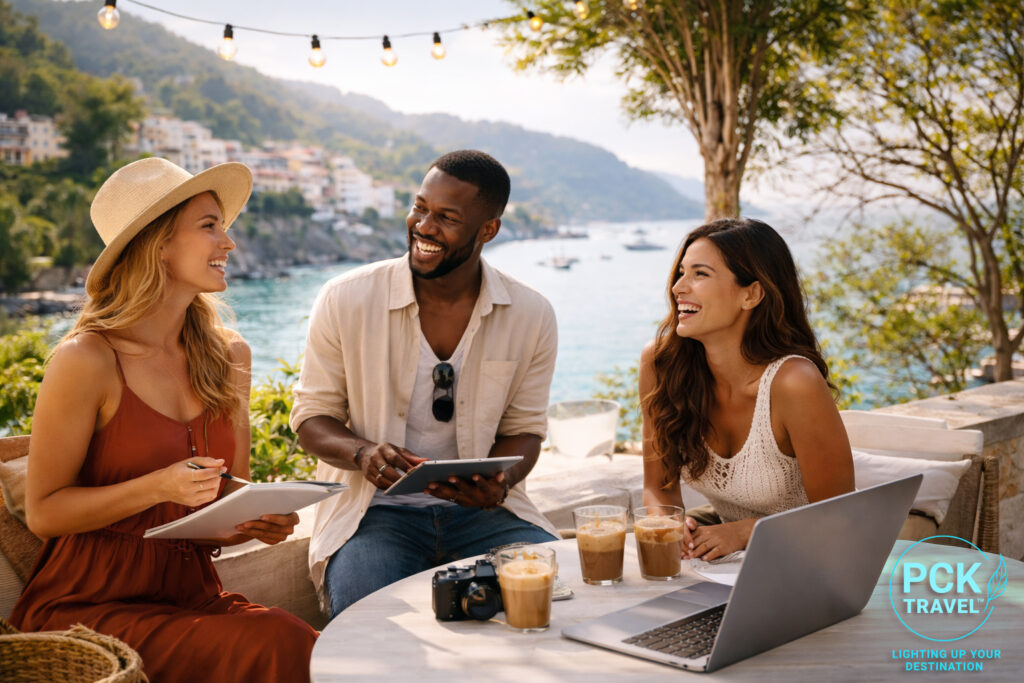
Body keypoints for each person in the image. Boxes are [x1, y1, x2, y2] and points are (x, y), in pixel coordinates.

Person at [11, 157, 317, 681]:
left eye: (223, 226)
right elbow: (45, 514)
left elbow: (221, 504)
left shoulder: (231, 357)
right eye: (209, 226)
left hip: (193, 596)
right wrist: (158, 486)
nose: (229, 243)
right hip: (90, 606)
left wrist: (256, 523)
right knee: (278, 643)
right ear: (158, 244)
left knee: (310, 647)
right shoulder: (87, 360)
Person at [291, 149, 560, 617]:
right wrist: (361, 452)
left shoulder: (532, 314)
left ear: (488, 230)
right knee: (368, 626)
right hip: (371, 517)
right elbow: (311, 417)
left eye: (446, 218)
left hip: (487, 517)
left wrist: (501, 482)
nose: (423, 226)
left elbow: (526, 430)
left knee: (564, 600)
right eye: (420, 208)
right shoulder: (344, 299)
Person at [639, 217, 855, 562]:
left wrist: (745, 532)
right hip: (728, 567)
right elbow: (658, 487)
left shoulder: (794, 382)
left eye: (700, 274)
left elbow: (841, 517)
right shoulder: (661, 364)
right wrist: (668, 524)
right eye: (681, 272)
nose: (679, 287)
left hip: (812, 562)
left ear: (751, 294)